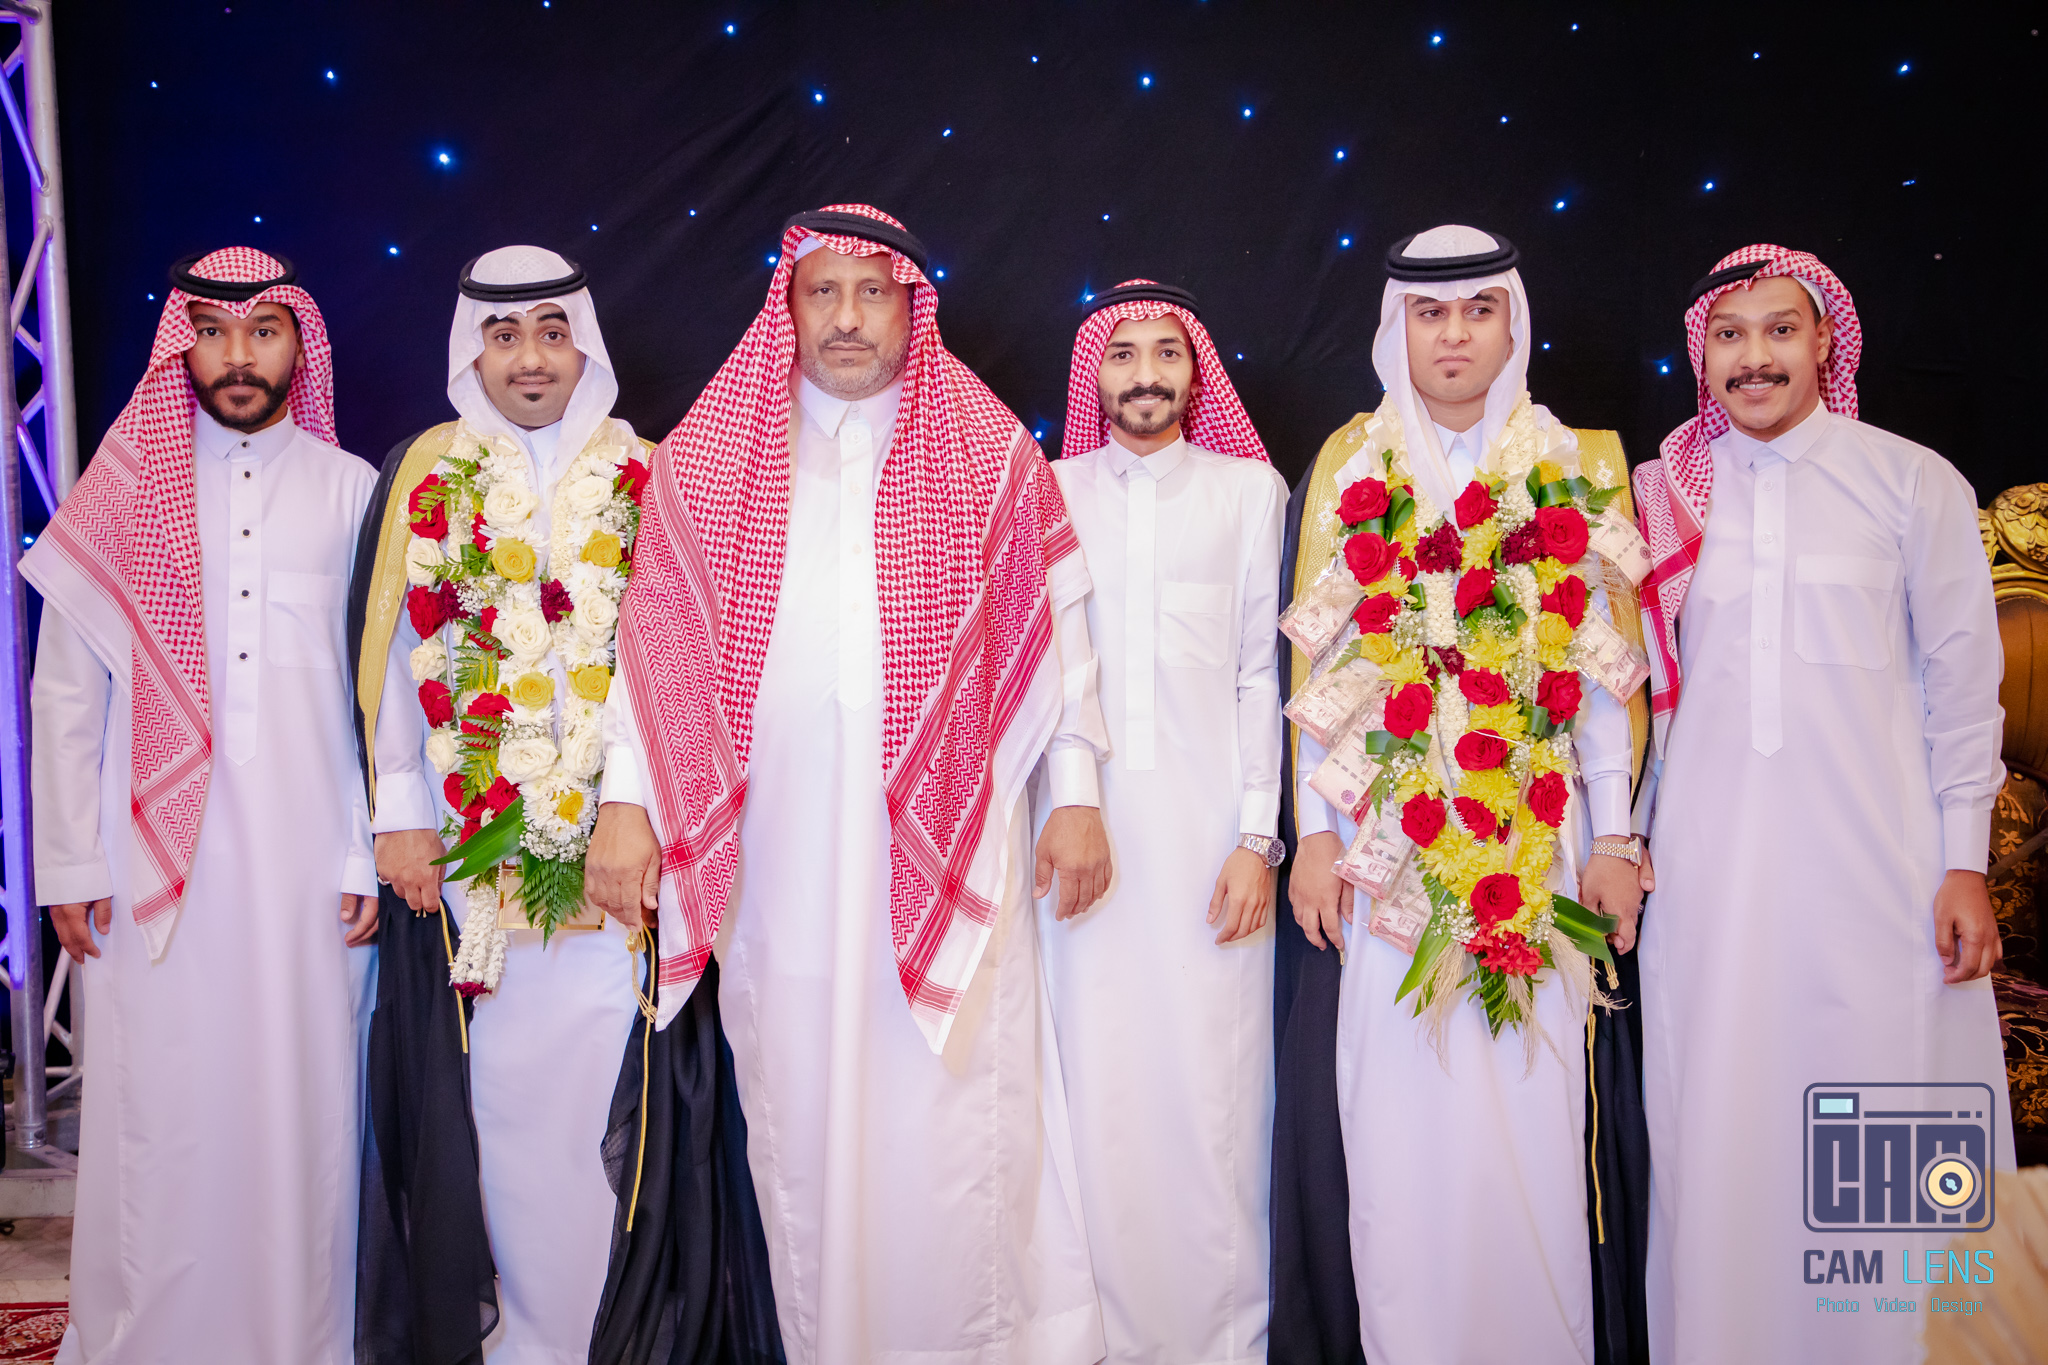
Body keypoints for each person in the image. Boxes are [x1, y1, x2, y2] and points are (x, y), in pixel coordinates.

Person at [584, 204, 1114, 1364]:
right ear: (785, 305)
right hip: (773, 855)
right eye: (821, 291)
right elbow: (653, 647)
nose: (846, 318)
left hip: (949, 838)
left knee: (952, 1123)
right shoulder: (710, 455)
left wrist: (1073, 793)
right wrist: (625, 798)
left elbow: (1056, 639)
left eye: (872, 292)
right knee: (800, 1109)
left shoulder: (986, 448)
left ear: (910, 308)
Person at [1278, 225, 1654, 1364]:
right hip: (1382, 842)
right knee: (1393, 1113)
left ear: (1512, 324)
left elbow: (1604, 671)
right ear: (1395, 327)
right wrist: (1310, 835)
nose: (1454, 336)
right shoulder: (1349, 462)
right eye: (1430, 314)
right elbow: (1318, 663)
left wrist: (1615, 837)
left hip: (1540, 840)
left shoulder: (1575, 460)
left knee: (1536, 1106)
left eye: (1478, 311)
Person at [1632, 245, 2012, 1364]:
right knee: (1721, 1128)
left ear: (1824, 342)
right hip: (1709, 882)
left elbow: (1963, 687)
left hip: (1880, 880)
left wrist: (1964, 860)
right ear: (1702, 353)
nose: (1753, 357)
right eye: (1730, 335)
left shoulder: (1911, 482)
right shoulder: (1662, 498)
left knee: (1882, 1120)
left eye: (1779, 330)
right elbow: (1631, 699)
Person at [26, 247, 378, 1363]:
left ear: (298, 346)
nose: (237, 356)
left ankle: (300, 1339)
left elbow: (383, 704)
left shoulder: (352, 491)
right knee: (162, 1107)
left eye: (263, 331)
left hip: (312, 872)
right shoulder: (120, 492)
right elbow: (65, 694)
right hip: (145, 868)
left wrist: (364, 853)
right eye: (214, 332)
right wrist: (70, 863)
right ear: (181, 345)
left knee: (305, 1105)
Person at [349, 246, 651, 1361]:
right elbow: (390, 655)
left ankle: (609, 1338)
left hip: (621, 860)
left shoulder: (644, 470)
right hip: (470, 863)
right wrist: (398, 813)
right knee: (497, 1111)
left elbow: (667, 663)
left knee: (611, 1106)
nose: (530, 358)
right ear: (469, 349)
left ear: (584, 345)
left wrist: (634, 807)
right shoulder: (427, 472)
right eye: (505, 335)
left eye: (551, 333)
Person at [1039, 279, 1285, 1363]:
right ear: (1093, 372)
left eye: (1167, 353)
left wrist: (1256, 838)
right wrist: (1076, 801)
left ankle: (1219, 1340)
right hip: (1075, 838)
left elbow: (1258, 674)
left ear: (1196, 372)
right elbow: (1049, 669)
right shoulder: (1049, 489)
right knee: (1088, 1089)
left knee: (1213, 1097)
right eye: (1123, 353)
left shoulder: (1250, 492)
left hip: (1210, 849)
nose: (1145, 375)